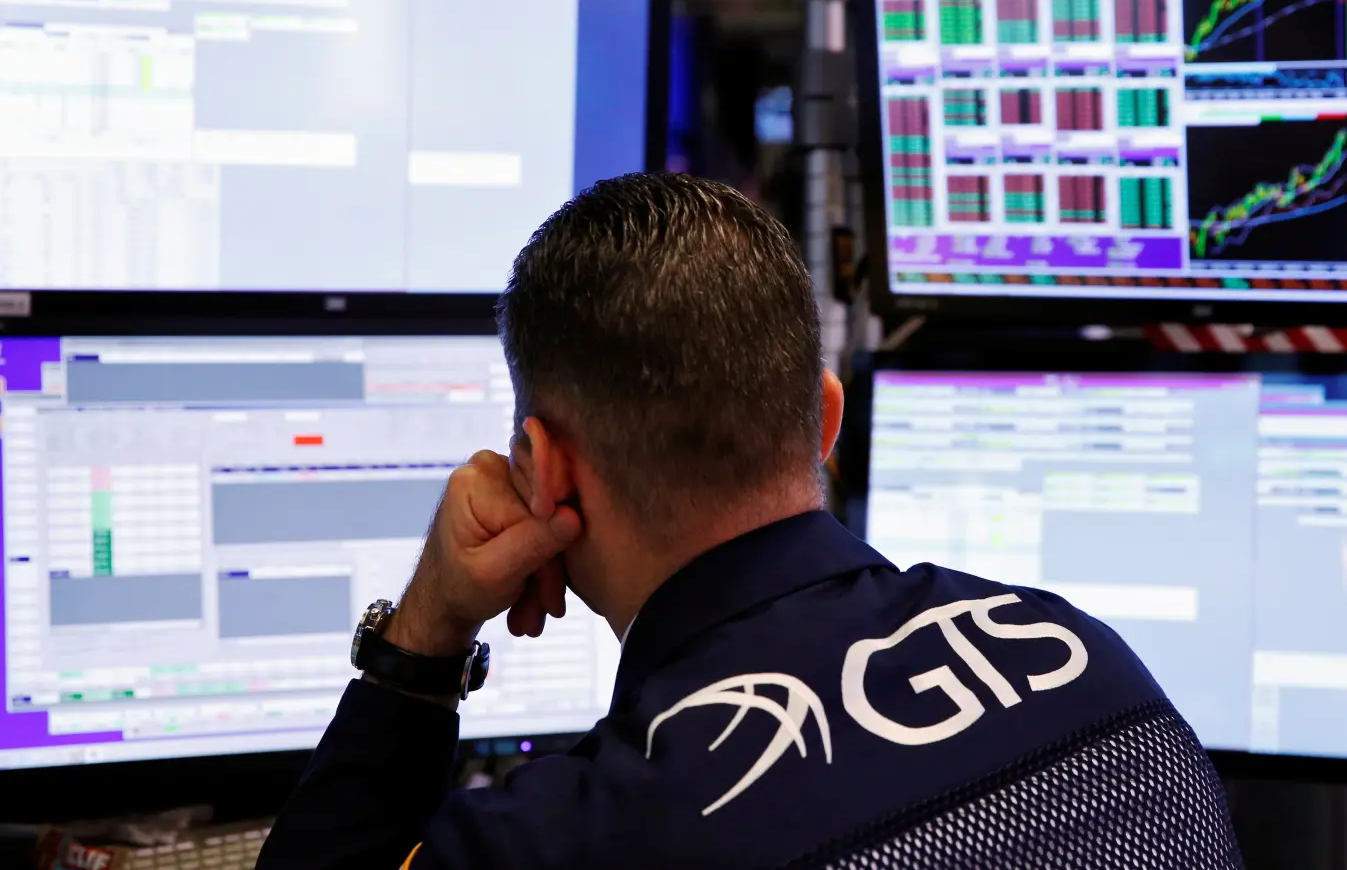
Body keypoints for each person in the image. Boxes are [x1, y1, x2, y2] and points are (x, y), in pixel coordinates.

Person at [258, 172, 1241, 870]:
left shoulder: (572, 835)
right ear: (824, 417)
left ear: (544, 468)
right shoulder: (1086, 662)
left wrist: (425, 637)